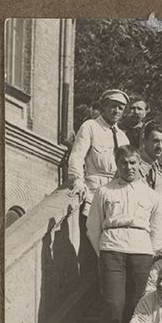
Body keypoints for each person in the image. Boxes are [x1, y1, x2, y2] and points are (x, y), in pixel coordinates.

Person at [87, 144, 162, 323]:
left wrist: (149, 252)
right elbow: (93, 227)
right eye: (124, 163)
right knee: (113, 305)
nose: (129, 167)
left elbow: (159, 230)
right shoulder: (104, 192)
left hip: (141, 251)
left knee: (135, 306)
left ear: (140, 164)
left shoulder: (151, 195)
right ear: (117, 164)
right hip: (112, 249)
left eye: (133, 163)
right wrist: (104, 252)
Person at [67, 88, 128, 244]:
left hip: (115, 195)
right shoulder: (90, 126)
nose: (117, 111)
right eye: (113, 106)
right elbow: (77, 155)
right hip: (93, 192)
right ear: (104, 106)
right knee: (90, 241)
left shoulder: (123, 137)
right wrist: (77, 180)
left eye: (121, 108)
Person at [138, 121, 162, 242]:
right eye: (155, 141)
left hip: (155, 234)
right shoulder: (131, 168)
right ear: (144, 142)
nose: (159, 146)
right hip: (134, 232)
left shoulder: (161, 175)